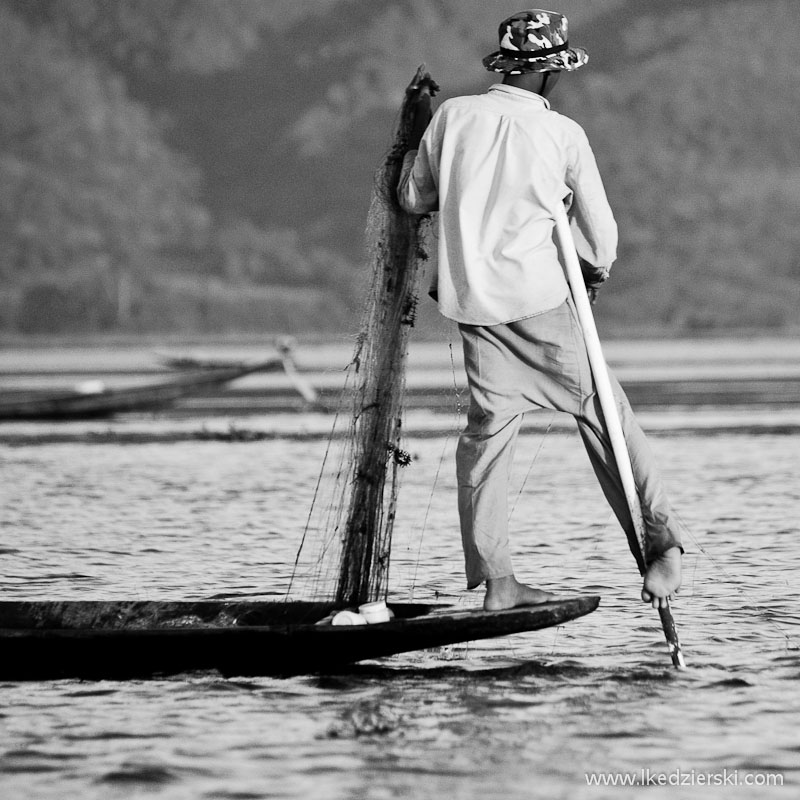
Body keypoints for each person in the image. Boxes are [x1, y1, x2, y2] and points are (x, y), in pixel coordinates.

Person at [396, 9, 685, 611]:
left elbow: (411, 198)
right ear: (552, 74)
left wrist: (421, 137)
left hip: (475, 309)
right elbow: (601, 238)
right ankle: (660, 548)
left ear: (505, 67)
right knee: (608, 416)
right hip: (541, 306)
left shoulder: (453, 118)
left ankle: (498, 581)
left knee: (486, 440)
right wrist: (590, 270)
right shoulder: (561, 134)